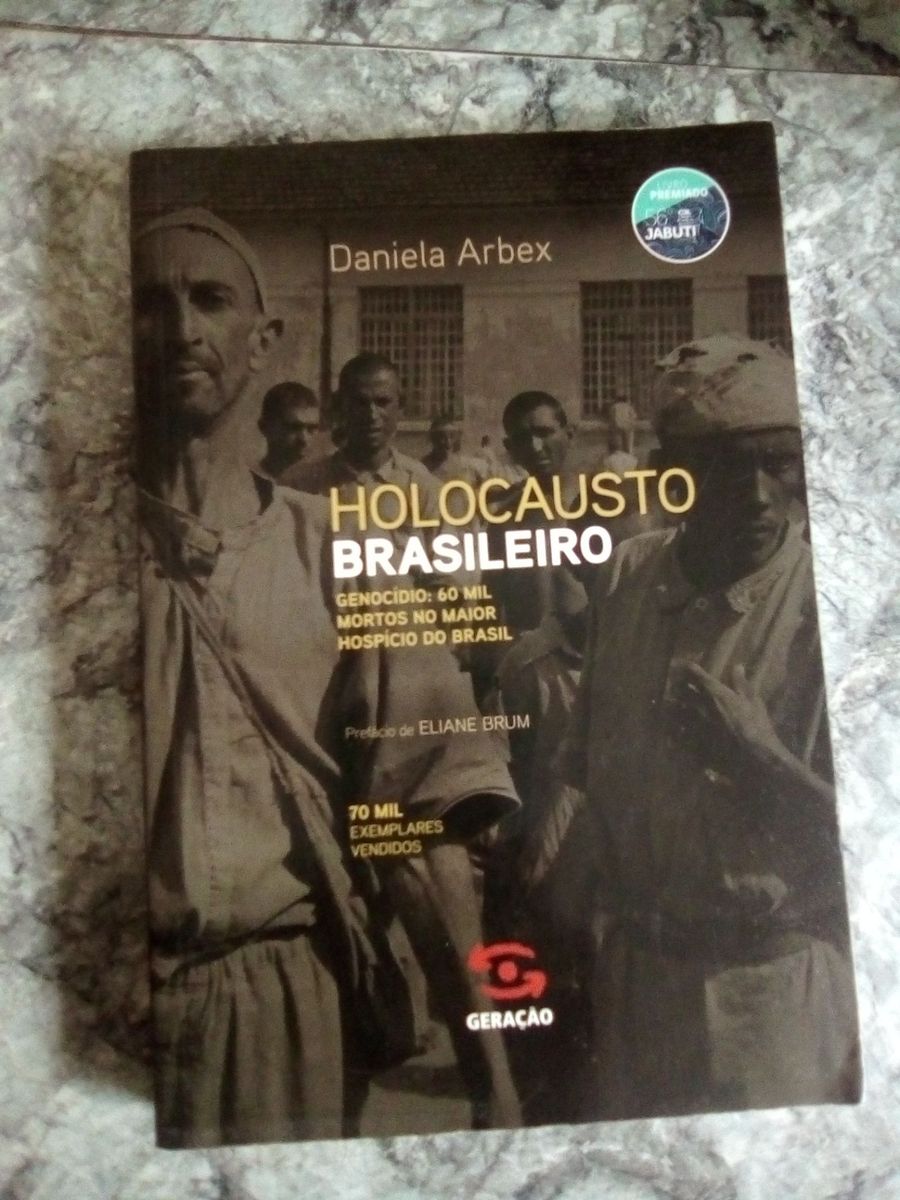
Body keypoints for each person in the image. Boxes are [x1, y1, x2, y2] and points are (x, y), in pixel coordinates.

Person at [132, 208, 520, 1146]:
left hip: (283, 1000)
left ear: (263, 340)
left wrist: (493, 1081)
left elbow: (418, 831)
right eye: (148, 304)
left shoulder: (339, 546)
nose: (180, 329)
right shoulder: (53, 560)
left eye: (210, 299)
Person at [556, 334, 860, 1120]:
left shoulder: (840, 602)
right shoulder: (630, 575)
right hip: (636, 989)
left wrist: (759, 759)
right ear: (672, 475)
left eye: (779, 463)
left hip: (773, 1000)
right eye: (728, 468)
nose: (760, 495)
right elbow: (590, 789)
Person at [258, 380, 320, 480]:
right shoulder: (245, 483)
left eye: (312, 429)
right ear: (265, 428)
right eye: (294, 428)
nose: (304, 439)